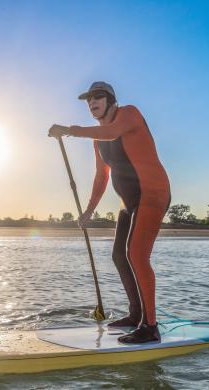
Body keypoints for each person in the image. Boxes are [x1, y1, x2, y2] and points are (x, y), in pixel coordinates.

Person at [48, 81, 171, 344]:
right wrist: (89, 211)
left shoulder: (129, 114)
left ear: (111, 99)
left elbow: (114, 131)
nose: (92, 102)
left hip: (153, 195)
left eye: (98, 97)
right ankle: (135, 314)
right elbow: (101, 177)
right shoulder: (98, 139)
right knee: (119, 255)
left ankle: (150, 327)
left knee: (137, 255)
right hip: (129, 202)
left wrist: (69, 131)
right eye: (88, 99)